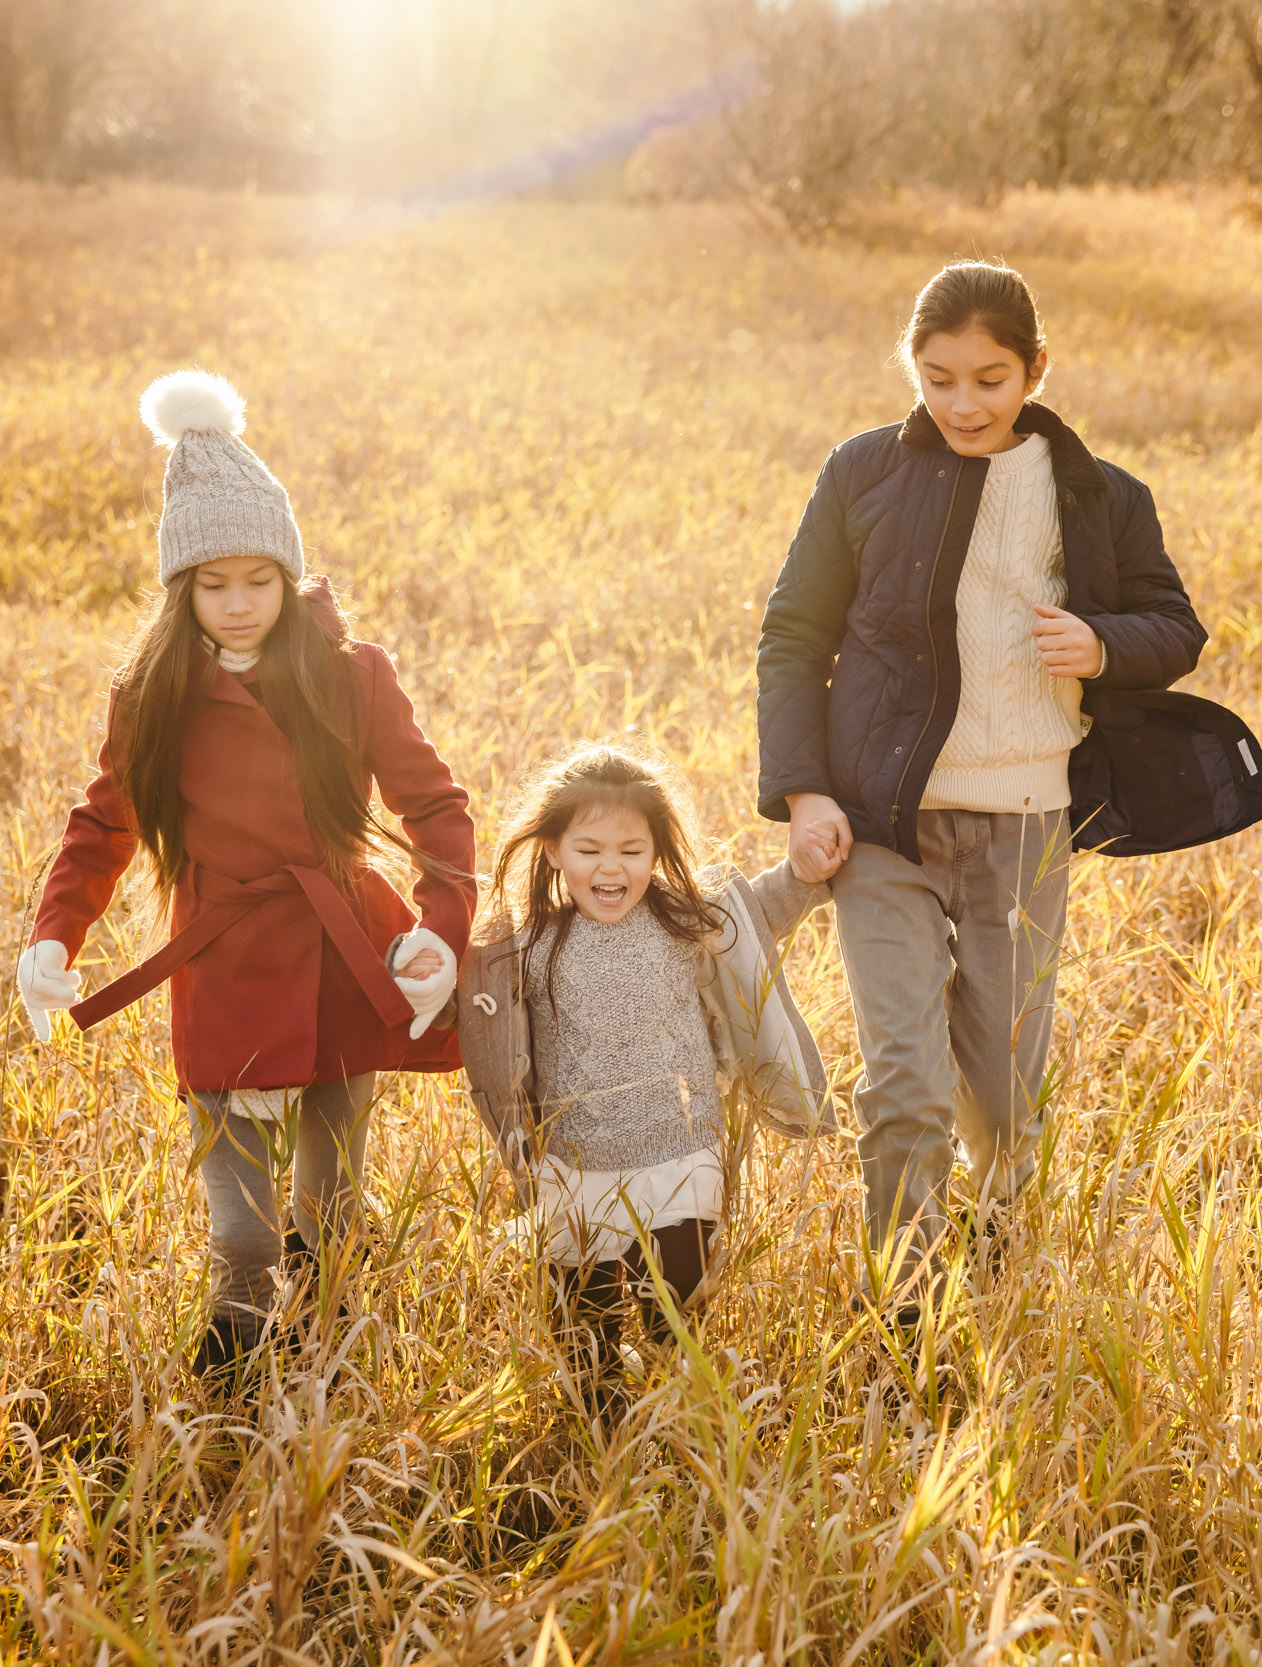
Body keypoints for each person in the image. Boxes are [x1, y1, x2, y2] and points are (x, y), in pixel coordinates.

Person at [754, 260, 1208, 1320]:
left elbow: (1173, 626)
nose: (962, 403)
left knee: (1004, 1098)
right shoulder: (861, 472)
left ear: (1036, 369)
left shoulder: (1099, 493)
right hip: (882, 824)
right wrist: (804, 791)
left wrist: (1100, 643)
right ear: (909, 366)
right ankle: (904, 1312)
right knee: (904, 1083)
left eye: (990, 379)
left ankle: (997, 1269)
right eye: (938, 376)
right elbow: (793, 636)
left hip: (1024, 826)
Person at [16, 369, 476, 1380]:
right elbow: (104, 823)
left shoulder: (351, 671)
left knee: (333, 1210)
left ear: (287, 572)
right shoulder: (152, 691)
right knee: (243, 1230)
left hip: (348, 955)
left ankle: (332, 1390)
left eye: (257, 580)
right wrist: (55, 935)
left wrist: (440, 929)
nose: (236, 604)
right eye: (212, 584)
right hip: (221, 964)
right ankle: (226, 1401)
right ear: (181, 588)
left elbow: (435, 806)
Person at [455, 745, 830, 1419]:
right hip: (577, 1170)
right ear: (551, 848)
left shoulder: (680, 917)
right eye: (590, 848)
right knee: (585, 1338)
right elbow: (470, 1001)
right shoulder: (528, 938)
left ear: (657, 851)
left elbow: (763, 910)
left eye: (631, 850)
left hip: (680, 1160)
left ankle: (675, 1430)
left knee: (676, 1320)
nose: (610, 868)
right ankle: (604, 1442)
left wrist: (806, 872)